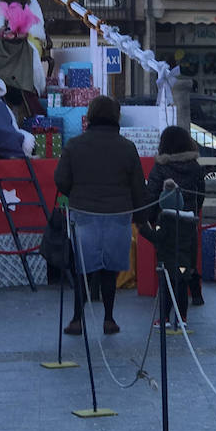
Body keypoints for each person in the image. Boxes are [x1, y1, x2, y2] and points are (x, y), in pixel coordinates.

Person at [54, 95, 146, 336]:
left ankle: (76, 319)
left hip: (84, 213)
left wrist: (76, 191)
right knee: (110, 269)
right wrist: (143, 217)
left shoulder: (74, 145)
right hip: (119, 214)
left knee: (83, 268)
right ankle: (108, 318)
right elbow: (138, 186)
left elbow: (61, 181)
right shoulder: (127, 147)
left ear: (91, 116)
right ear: (116, 117)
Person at [142, 125, 204, 329]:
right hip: (188, 224)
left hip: (165, 224)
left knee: (166, 273)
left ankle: (165, 317)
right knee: (184, 270)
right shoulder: (195, 167)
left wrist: (149, 221)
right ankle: (182, 315)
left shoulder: (160, 168)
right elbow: (200, 196)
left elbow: (151, 195)